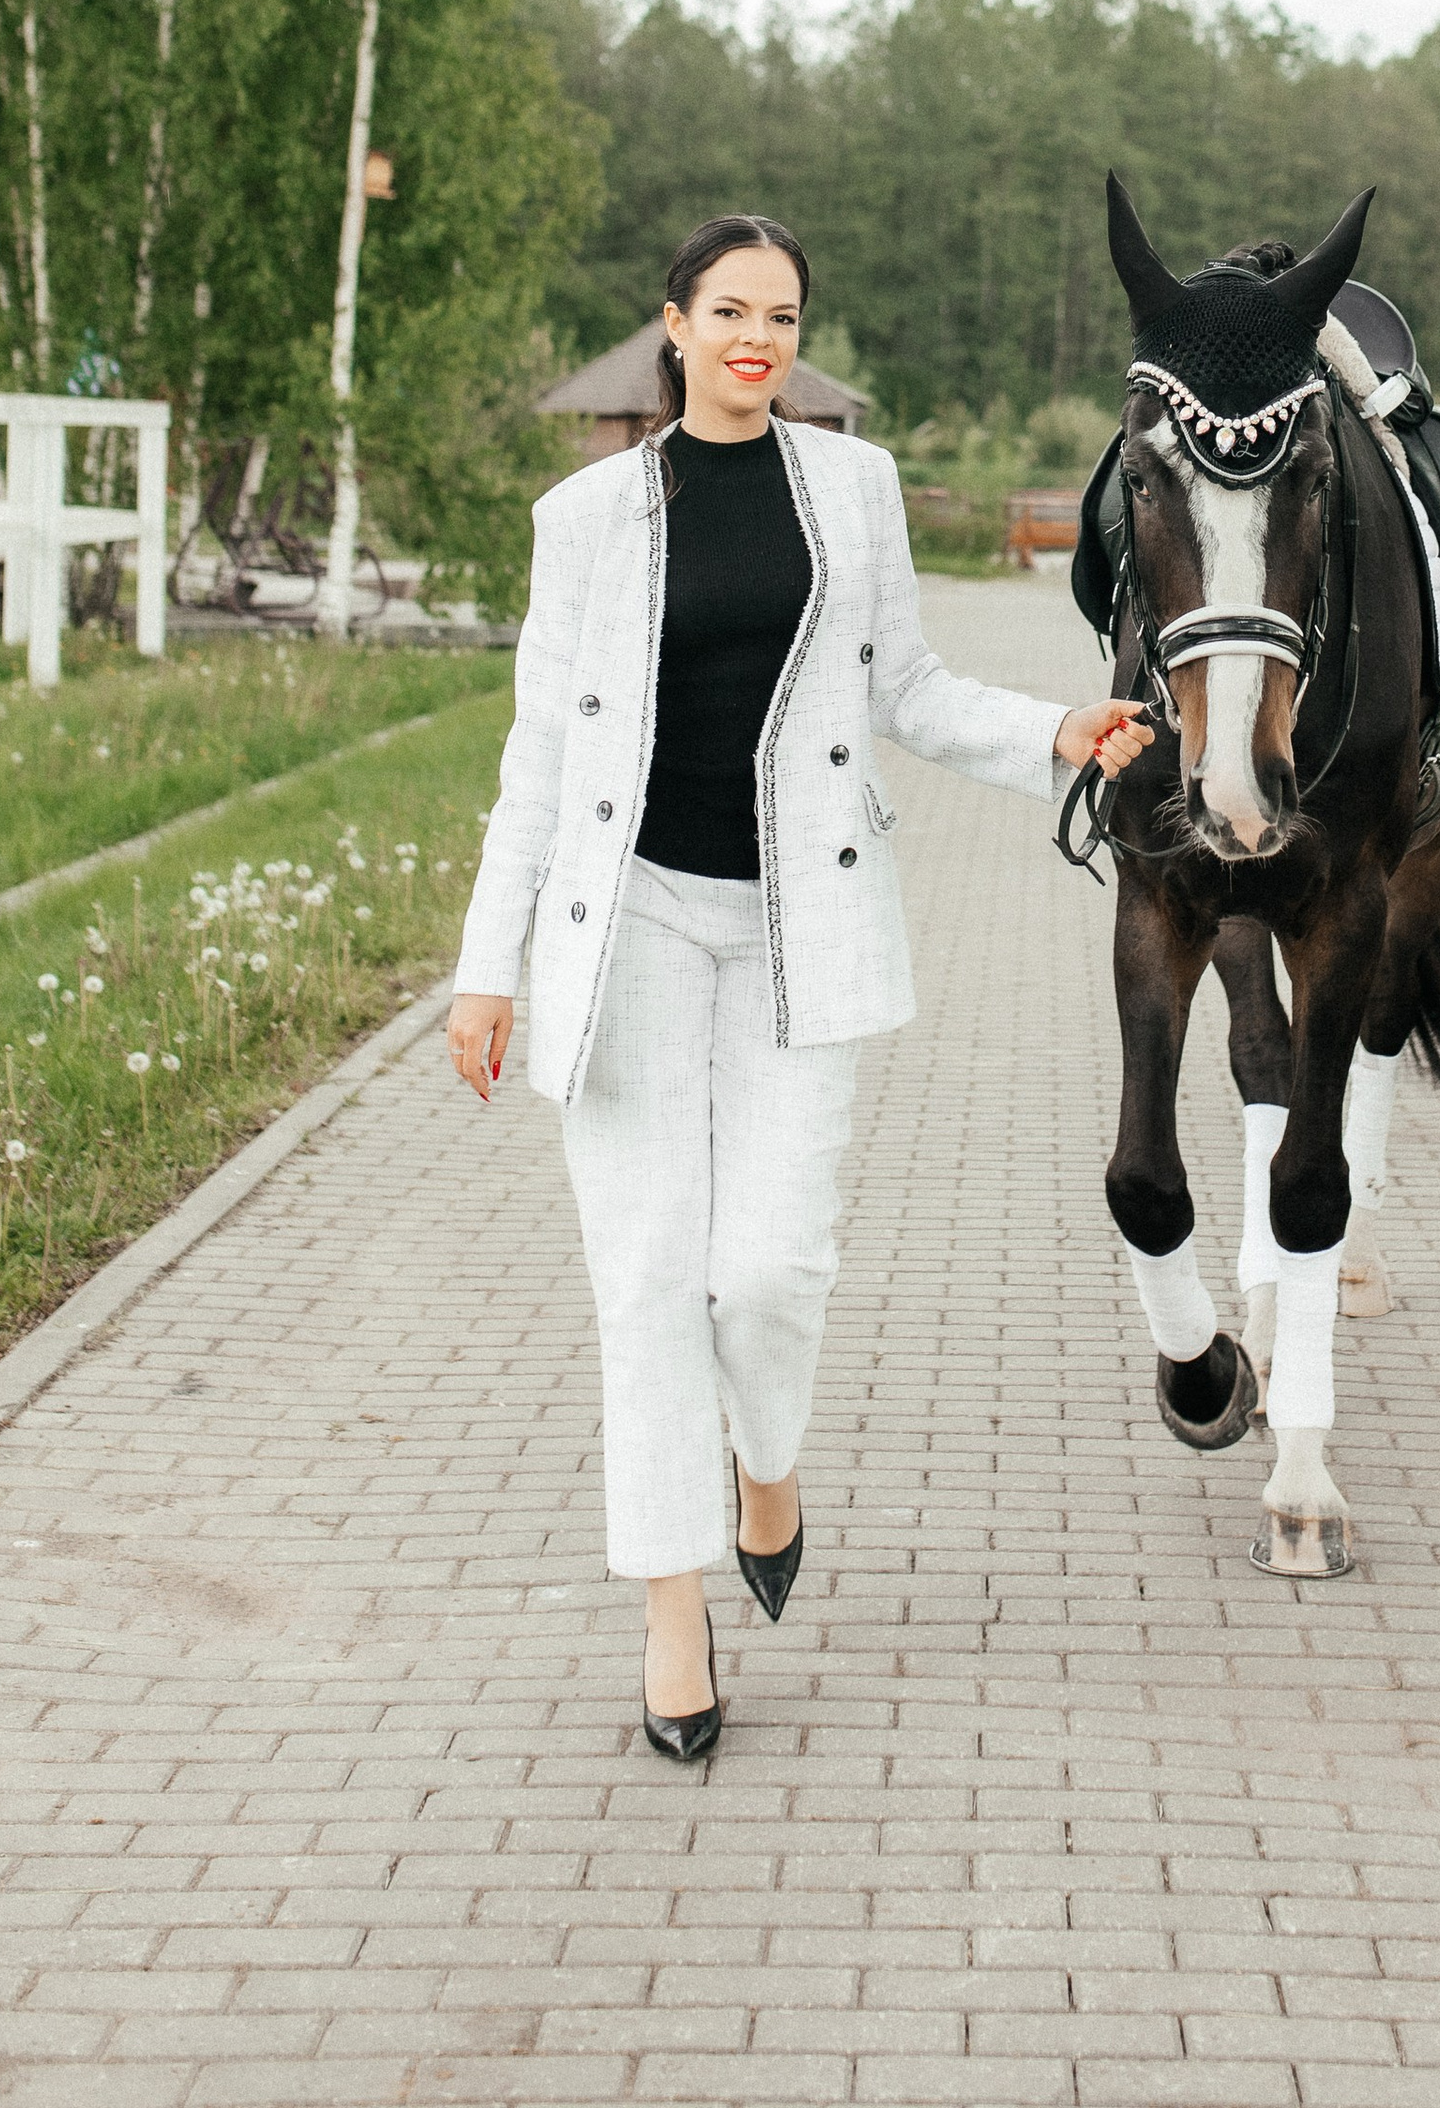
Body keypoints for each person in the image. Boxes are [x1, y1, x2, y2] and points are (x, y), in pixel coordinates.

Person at [445, 212, 1150, 1760]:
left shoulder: (852, 486)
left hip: (797, 926)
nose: (756, 337)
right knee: (648, 1274)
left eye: (780, 315)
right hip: (629, 921)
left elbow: (909, 688)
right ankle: (673, 1611)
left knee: (767, 1270)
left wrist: (1053, 729)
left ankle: (767, 1467)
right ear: (675, 325)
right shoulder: (588, 517)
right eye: (729, 311)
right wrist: (487, 967)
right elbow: (541, 756)